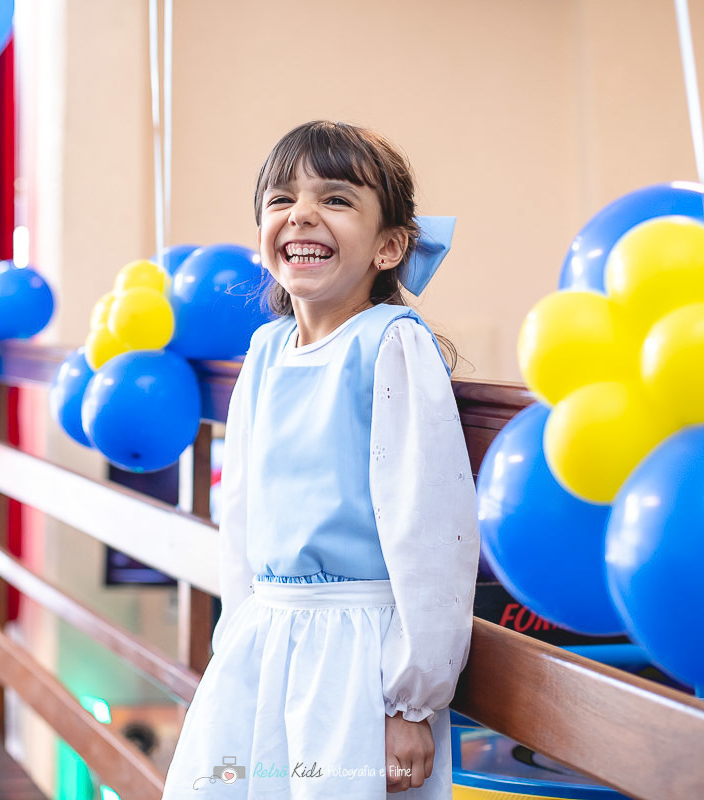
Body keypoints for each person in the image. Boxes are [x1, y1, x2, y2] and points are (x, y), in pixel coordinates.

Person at [162, 120, 479, 798]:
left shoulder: (391, 346)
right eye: (281, 199)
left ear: (389, 247)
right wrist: (237, 640)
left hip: (356, 657)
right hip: (264, 644)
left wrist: (412, 702)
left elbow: (430, 529)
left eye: (335, 199)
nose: (301, 212)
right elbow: (240, 508)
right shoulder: (267, 351)